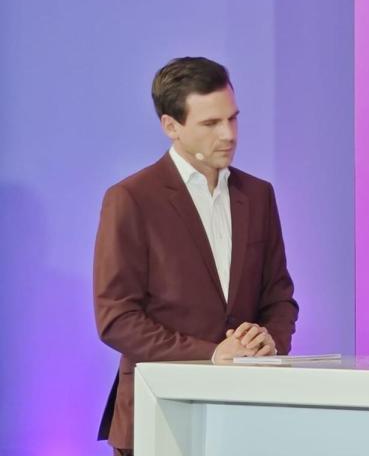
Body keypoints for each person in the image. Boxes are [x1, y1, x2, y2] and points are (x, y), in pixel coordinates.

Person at [93, 57, 299, 454]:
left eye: (233, 119)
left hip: (246, 417)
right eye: (210, 124)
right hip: (159, 416)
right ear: (171, 126)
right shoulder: (132, 199)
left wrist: (268, 341)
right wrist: (211, 354)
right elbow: (116, 318)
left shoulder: (258, 196)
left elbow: (279, 297)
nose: (229, 135)